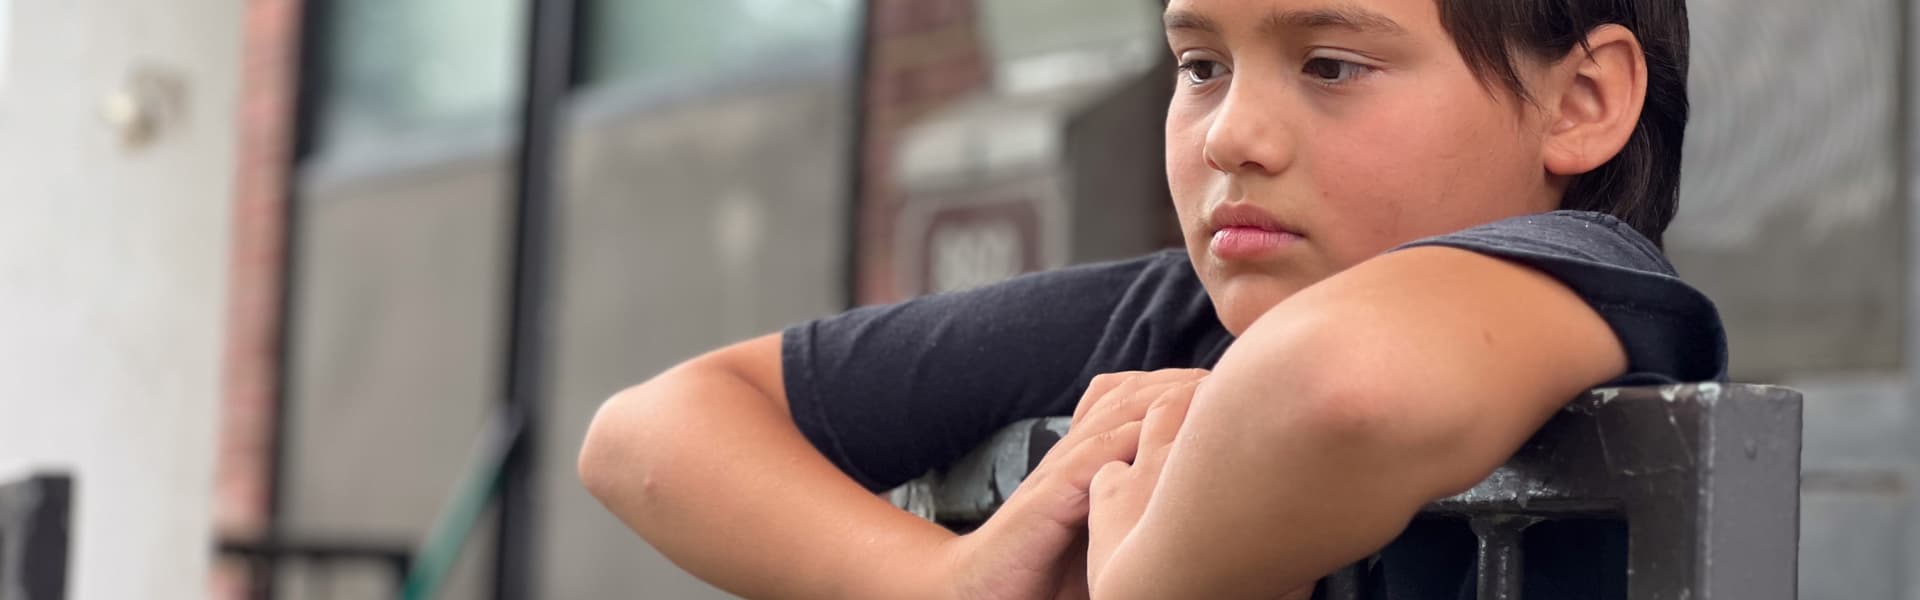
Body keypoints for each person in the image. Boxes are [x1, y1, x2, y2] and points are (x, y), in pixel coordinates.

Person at [578, 0, 1724, 597]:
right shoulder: (1175, 311)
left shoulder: (1580, 280)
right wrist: (938, 580)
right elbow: (646, 434)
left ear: (1579, 101)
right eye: (1200, 67)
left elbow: (1340, 390)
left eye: (1332, 64)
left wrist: (1144, 572)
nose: (1231, 134)